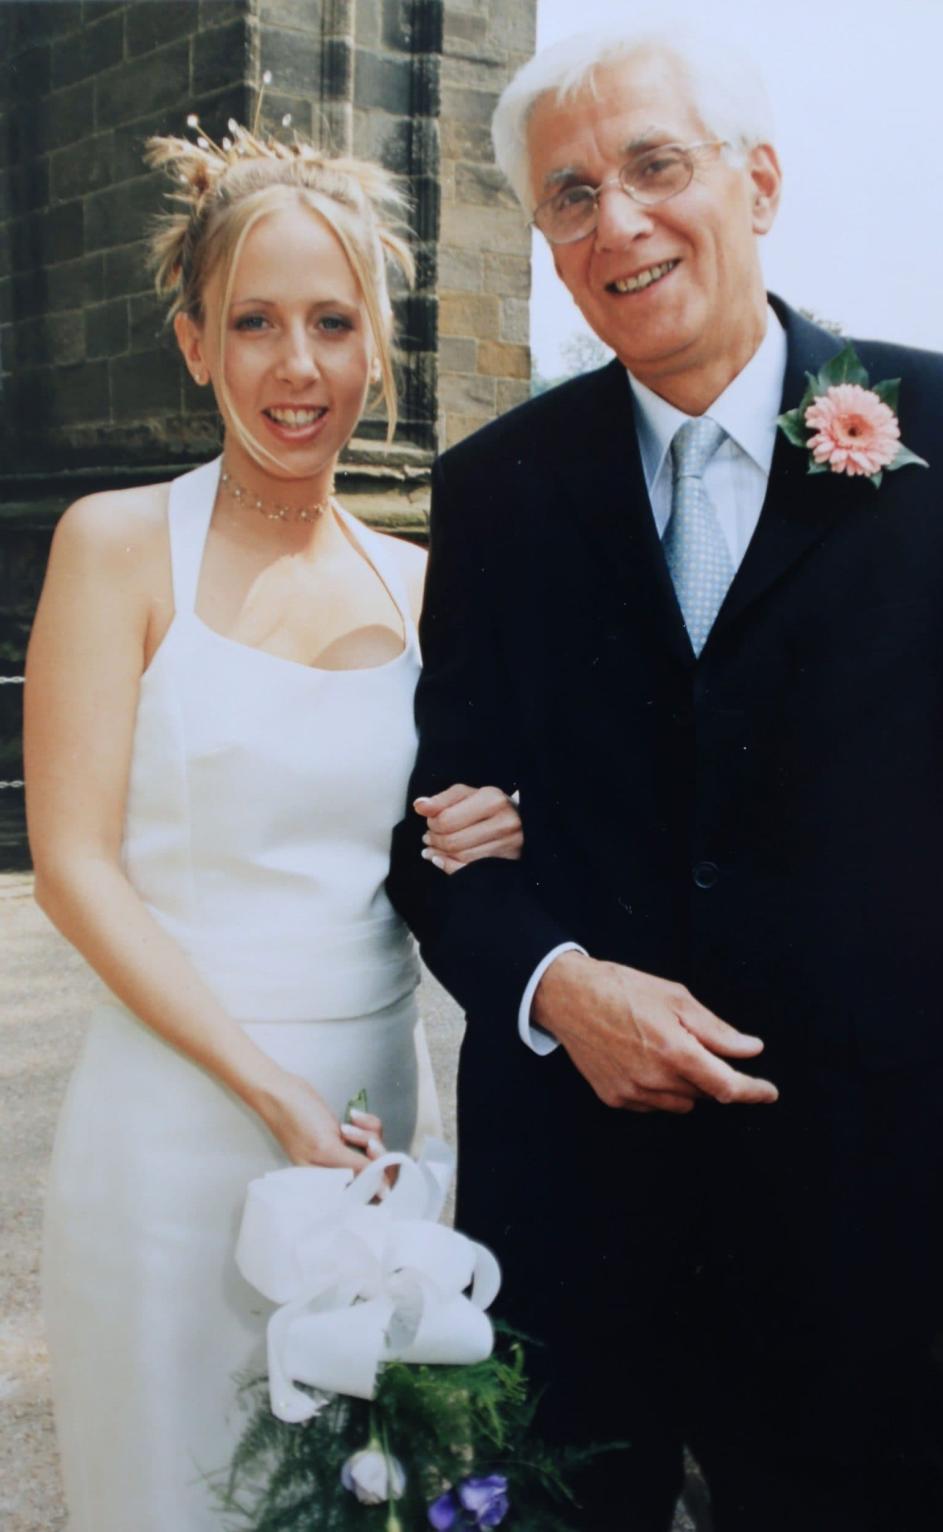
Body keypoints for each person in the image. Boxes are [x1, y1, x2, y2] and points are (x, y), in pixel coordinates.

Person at [388, 26, 943, 1532]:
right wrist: (558, 978)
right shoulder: (495, 489)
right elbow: (436, 840)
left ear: (758, 183)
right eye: (570, 195)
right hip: (579, 1218)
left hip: (870, 1218)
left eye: (655, 167)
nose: (617, 223)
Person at [25, 121, 524, 1532]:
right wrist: (263, 1092)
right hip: (174, 1129)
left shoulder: (432, 584)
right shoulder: (114, 547)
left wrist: (485, 827)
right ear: (193, 343)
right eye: (253, 323)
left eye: (331, 323)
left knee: (349, 1502)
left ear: (378, 351)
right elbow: (71, 866)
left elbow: (444, 840)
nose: (295, 367)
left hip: (372, 1119)